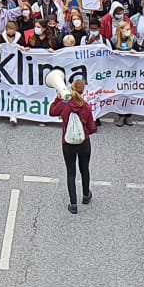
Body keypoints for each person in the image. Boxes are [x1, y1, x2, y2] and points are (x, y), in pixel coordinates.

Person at [46, 73, 96, 213]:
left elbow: (51, 112)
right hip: (84, 143)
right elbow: (92, 128)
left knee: (71, 172)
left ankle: (73, 204)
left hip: (67, 144)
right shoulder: (86, 107)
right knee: (84, 169)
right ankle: (86, 195)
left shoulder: (64, 105)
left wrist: (58, 98)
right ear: (83, 91)